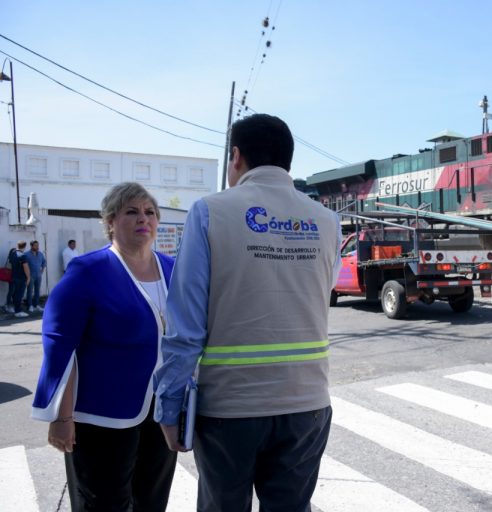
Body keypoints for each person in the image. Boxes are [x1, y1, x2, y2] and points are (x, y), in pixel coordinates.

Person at [154, 113, 343, 512]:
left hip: (231, 408)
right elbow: (318, 294)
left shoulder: (209, 212)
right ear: (288, 160)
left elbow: (185, 325)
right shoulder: (327, 221)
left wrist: (169, 405)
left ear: (236, 156)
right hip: (307, 404)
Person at [31, 182, 177, 511]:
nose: (144, 218)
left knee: (152, 500)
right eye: (131, 211)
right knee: (102, 503)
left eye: (150, 212)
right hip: (100, 417)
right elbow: (60, 346)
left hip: (162, 411)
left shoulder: (173, 270)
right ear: (110, 221)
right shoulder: (88, 271)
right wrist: (61, 417)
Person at [9, 241, 30, 318]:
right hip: (21, 277)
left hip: (14, 276)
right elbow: (26, 267)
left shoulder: (13, 254)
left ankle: (16, 309)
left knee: (15, 294)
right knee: (19, 294)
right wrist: (28, 277)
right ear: (24, 246)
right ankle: (18, 311)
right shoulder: (22, 255)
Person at [25, 240, 47, 312]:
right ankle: (30, 305)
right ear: (31, 246)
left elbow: (44, 262)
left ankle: (36, 305)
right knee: (30, 291)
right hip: (30, 275)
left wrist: (42, 271)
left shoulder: (40, 254)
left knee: (37, 291)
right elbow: (24, 265)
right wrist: (27, 275)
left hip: (38, 275)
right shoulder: (26, 254)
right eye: (35, 245)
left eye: (38, 245)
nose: (37, 247)